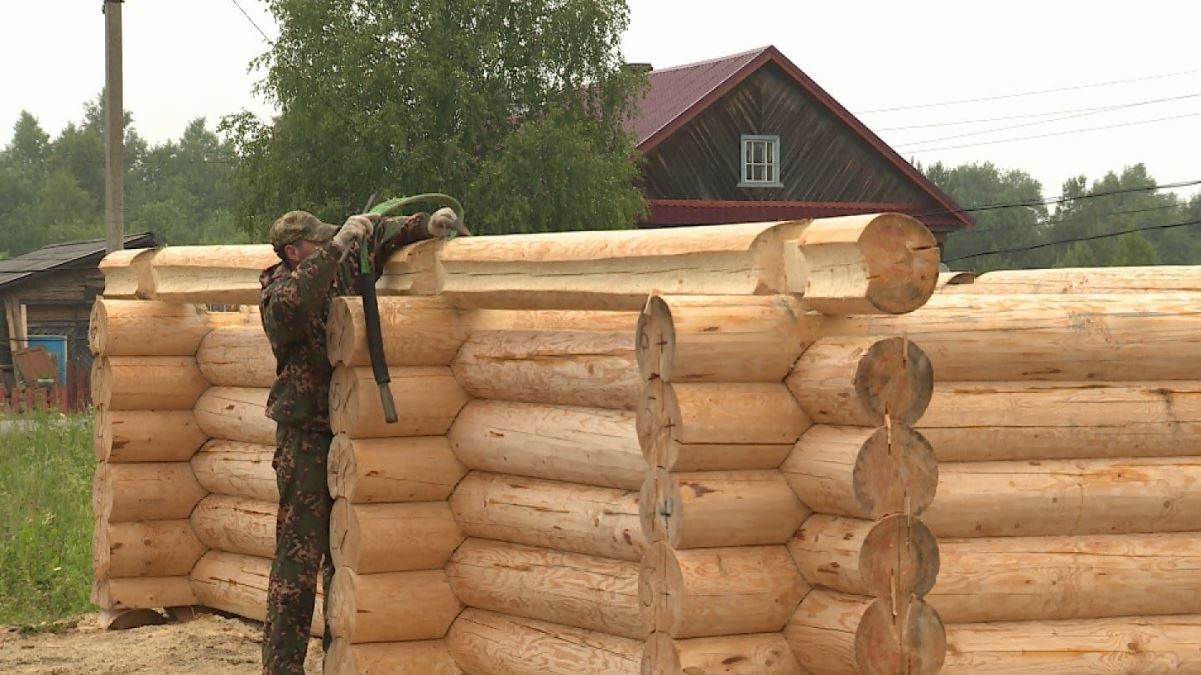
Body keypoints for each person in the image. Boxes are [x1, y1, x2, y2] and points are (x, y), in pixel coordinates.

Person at [258, 207, 467, 674]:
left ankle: (340, 657)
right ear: (294, 251)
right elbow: (293, 307)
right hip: (305, 440)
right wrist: (335, 249)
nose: (329, 245)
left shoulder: (337, 266)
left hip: (349, 433)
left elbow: (384, 237)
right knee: (298, 561)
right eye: (317, 242)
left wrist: (424, 225)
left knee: (345, 556)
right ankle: (282, 667)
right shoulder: (278, 289)